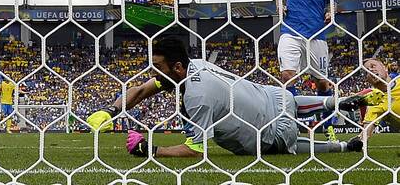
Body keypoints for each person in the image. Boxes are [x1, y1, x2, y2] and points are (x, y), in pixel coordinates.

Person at [86, 36, 360, 158]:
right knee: (285, 103)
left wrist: (151, 150)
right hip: (278, 99)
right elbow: (143, 89)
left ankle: (345, 147)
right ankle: (337, 102)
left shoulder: (197, 97)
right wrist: (111, 110)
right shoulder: (198, 64)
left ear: (177, 68)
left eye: (158, 66)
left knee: (284, 144)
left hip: (270, 135)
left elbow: (195, 150)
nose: (154, 72)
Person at [277, 0, 338, 137]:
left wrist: (330, 10)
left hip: (316, 33)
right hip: (290, 30)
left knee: (322, 82)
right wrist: (282, 6)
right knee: (287, 75)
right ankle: (290, 126)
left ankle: (328, 127)